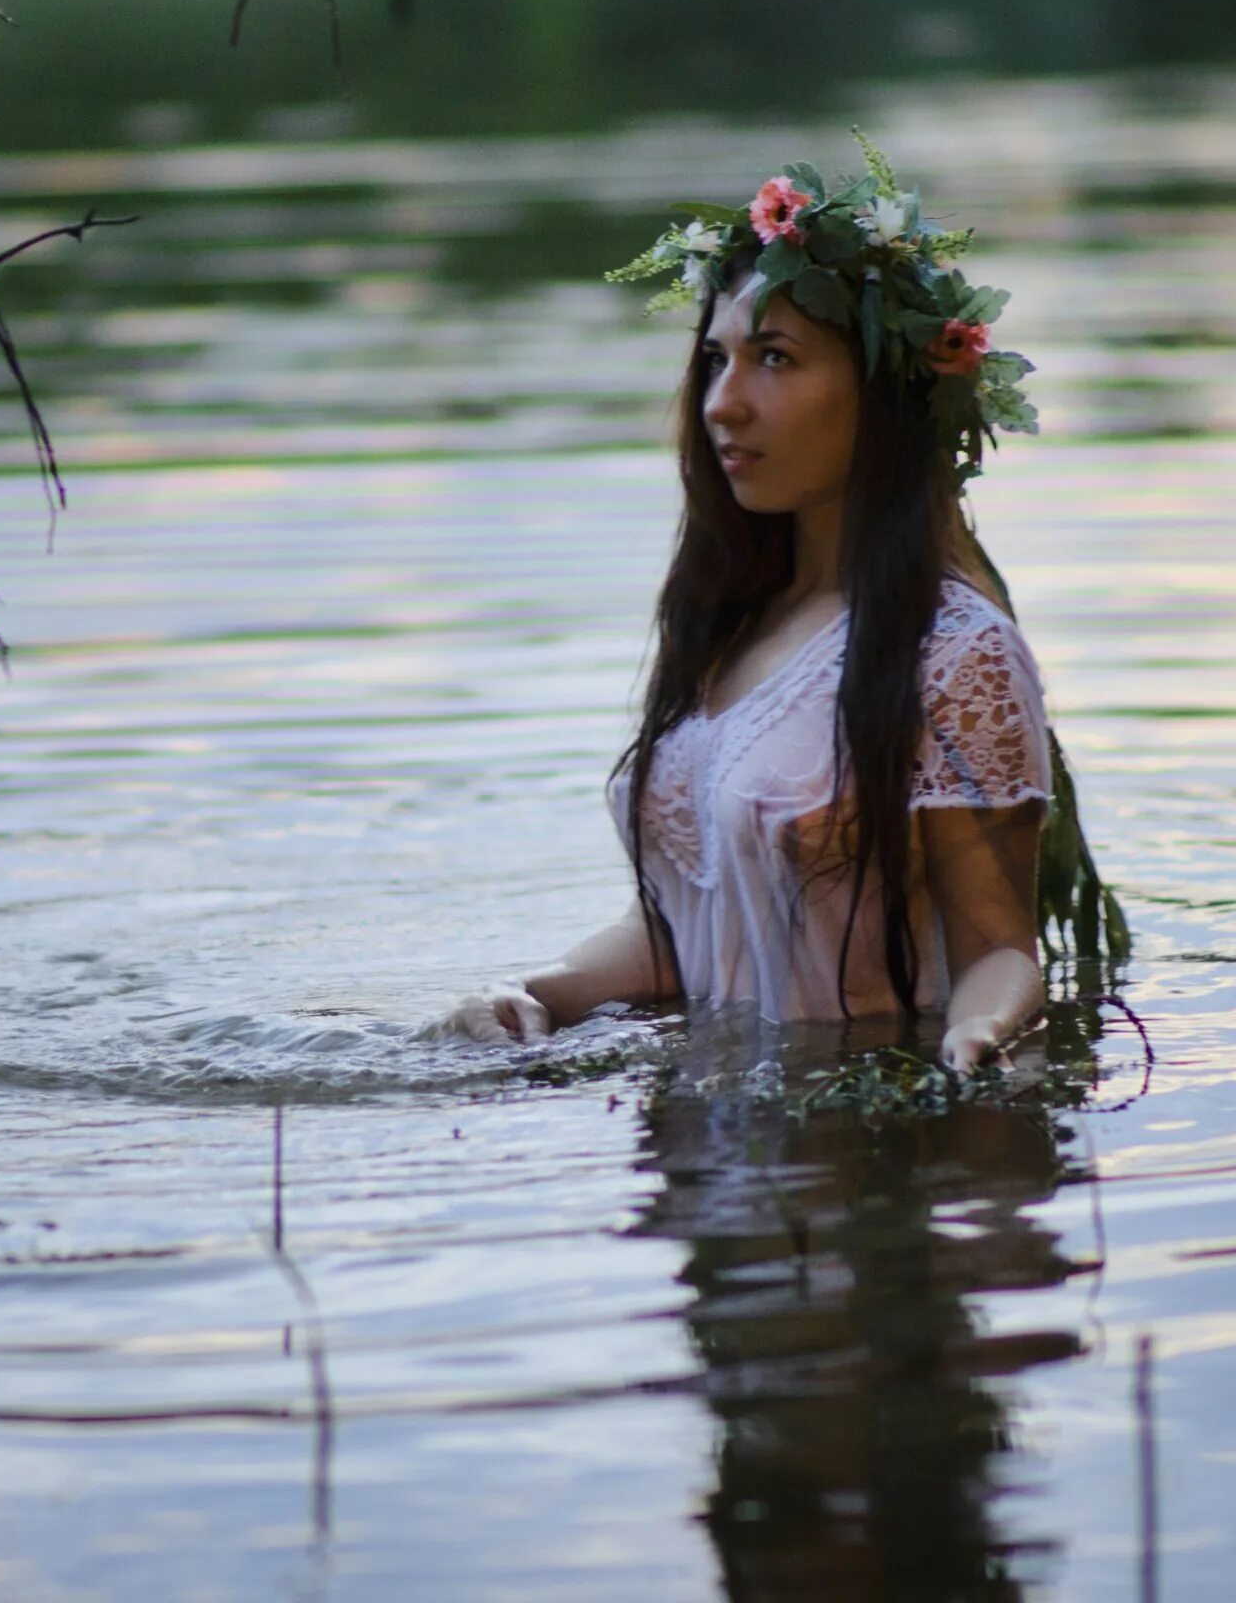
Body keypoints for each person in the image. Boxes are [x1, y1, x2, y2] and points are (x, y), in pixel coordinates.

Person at [436, 145, 1055, 1074]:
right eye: (717, 359)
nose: (722, 405)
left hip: (858, 1138)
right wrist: (535, 992)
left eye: (775, 359)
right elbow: (687, 922)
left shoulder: (955, 652)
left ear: (886, 392)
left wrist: (977, 1041)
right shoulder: (731, 620)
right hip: (707, 1149)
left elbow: (999, 946)